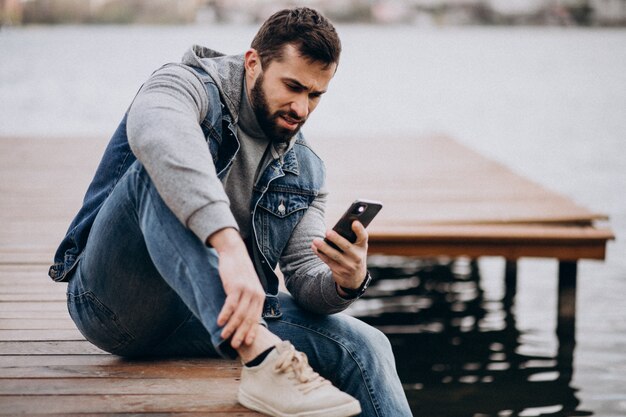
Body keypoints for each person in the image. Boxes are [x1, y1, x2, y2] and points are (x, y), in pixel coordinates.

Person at [49, 7, 412, 417]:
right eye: (292, 86)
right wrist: (227, 244)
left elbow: (306, 280)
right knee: (153, 176)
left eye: (314, 94)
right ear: (253, 62)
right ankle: (260, 358)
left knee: (367, 345)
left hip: (208, 318)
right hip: (113, 304)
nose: (301, 108)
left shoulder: (306, 169)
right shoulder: (185, 84)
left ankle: (260, 348)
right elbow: (157, 132)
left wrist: (347, 281)